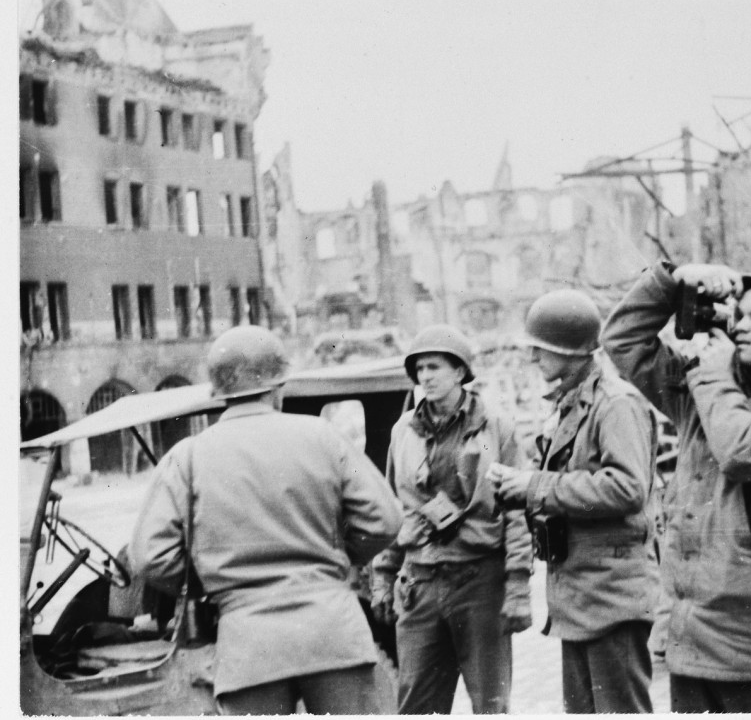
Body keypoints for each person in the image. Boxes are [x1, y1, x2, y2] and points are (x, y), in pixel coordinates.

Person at [601, 262, 751, 713]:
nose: (739, 326)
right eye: (738, 314)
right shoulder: (705, 397)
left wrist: (710, 371)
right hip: (691, 651)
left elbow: (740, 449)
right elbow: (623, 341)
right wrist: (674, 282)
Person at [130, 325, 403, 715]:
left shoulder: (187, 457)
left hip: (248, 645)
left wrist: (210, 580)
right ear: (278, 386)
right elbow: (386, 519)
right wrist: (338, 558)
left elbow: (150, 557)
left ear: (218, 392)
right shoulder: (323, 436)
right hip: (333, 632)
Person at [487, 290, 659, 714]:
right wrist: (520, 489)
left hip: (610, 596)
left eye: (540, 349)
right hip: (583, 596)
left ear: (570, 349)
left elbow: (627, 488)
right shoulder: (573, 403)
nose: (532, 358)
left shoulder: (616, 404)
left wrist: (535, 485)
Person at [369, 324, 533, 715]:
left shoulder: (496, 425)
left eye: (434, 367)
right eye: (419, 369)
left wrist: (518, 586)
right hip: (420, 584)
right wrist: (382, 578)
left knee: (490, 703)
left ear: (460, 371)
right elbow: (395, 508)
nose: (425, 377)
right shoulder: (403, 432)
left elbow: (516, 509)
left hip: (479, 581)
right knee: (416, 705)